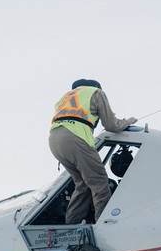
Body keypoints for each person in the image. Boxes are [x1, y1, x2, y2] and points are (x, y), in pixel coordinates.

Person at [49, 79, 137, 224]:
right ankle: (104, 225)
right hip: (75, 137)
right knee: (99, 182)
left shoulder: (66, 96)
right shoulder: (96, 92)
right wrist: (128, 121)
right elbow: (112, 125)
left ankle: (72, 224)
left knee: (82, 184)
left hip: (54, 140)